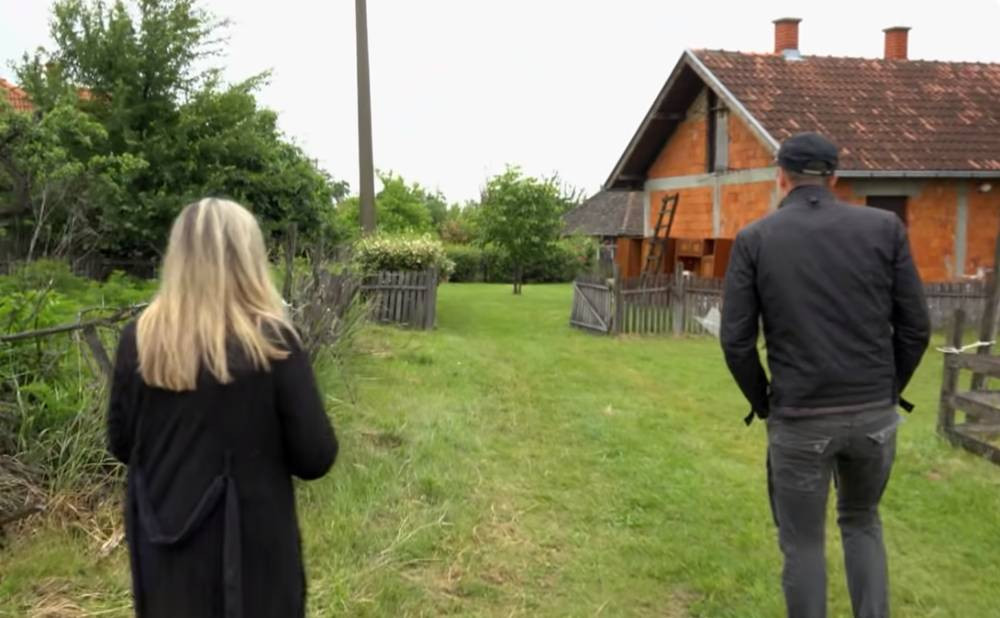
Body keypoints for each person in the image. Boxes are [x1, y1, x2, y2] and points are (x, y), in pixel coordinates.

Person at [720, 133, 930, 618]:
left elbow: (735, 341)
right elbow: (916, 327)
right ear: (834, 176)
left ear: (781, 176)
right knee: (862, 521)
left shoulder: (755, 239)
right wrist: (887, 390)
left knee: (803, 544)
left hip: (800, 416)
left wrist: (765, 402)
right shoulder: (885, 228)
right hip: (873, 415)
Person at [107, 198, 338, 618]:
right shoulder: (274, 344)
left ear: (178, 259)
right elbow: (315, 456)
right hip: (253, 564)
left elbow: (121, 444)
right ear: (249, 259)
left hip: (165, 550)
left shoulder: (138, 340)